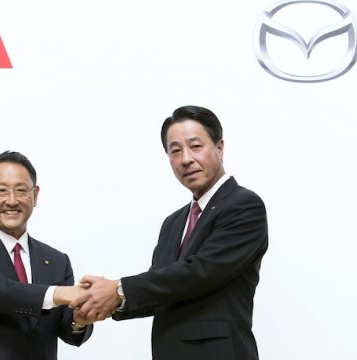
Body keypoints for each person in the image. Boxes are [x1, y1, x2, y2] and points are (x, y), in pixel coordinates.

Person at [75, 105, 269, 360]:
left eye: (195, 146)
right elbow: (162, 286)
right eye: (175, 151)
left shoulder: (243, 205)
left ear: (219, 148)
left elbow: (199, 273)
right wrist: (105, 303)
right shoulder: (173, 223)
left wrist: (118, 290)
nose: (186, 159)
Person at [0, 151, 93, 360]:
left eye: (21, 190)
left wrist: (80, 318)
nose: (12, 201)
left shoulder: (57, 261)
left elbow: (67, 328)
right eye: (1, 191)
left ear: (35, 195)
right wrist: (58, 293)